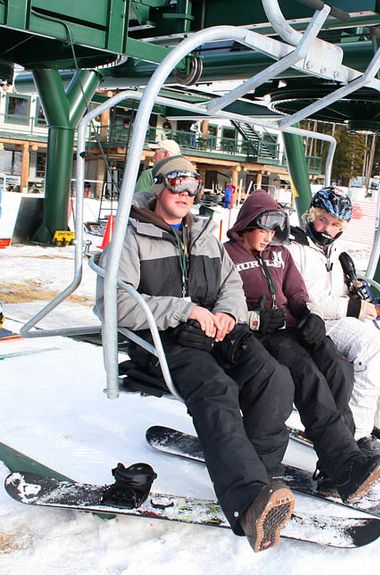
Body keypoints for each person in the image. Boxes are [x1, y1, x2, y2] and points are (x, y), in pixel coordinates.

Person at [95, 155, 297, 553]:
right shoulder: (131, 235)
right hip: (160, 341)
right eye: (177, 183)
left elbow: (231, 286)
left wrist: (226, 313)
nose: (187, 193)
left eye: (194, 186)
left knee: (274, 377)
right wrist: (185, 310)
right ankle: (247, 502)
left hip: (213, 334)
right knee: (216, 389)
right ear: (159, 187)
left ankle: (264, 477)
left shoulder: (203, 232)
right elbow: (113, 303)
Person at [224, 189, 380, 500]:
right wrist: (258, 318)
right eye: (263, 229)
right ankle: (345, 463)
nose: (268, 237)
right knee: (310, 378)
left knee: (339, 370)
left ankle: (334, 463)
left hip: (291, 327)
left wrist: (307, 315)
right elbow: (223, 305)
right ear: (246, 223)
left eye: (274, 230)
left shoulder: (280, 253)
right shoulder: (229, 256)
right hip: (262, 335)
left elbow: (298, 293)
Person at [288, 187, 380, 456]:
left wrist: (354, 290)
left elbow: (339, 289)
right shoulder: (294, 247)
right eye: (323, 219)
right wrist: (351, 306)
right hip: (315, 321)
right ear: (311, 214)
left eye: (336, 224)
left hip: (343, 313)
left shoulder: (337, 250)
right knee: (371, 346)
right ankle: (357, 434)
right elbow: (303, 299)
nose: (327, 229)